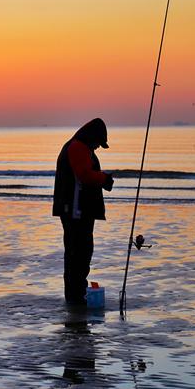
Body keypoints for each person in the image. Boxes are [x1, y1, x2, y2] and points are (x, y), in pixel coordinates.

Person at [52, 118, 114, 305]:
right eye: (98, 143)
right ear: (92, 137)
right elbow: (84, 175)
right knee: (79, 254)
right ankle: (76, 297)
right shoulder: (78, 147)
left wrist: (102, 179)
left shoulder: (78, 146)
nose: (97, 147)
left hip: (76, 211)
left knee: (78, 254)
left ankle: (76, 295)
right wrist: (104, 178)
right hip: (76, 211)